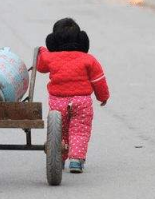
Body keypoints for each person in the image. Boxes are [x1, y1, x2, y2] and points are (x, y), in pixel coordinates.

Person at [37, 18, 110, 173]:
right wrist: (103, 97)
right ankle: (76, 160)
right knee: (80, 130)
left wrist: (43, 52)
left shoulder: (50, 57)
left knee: (60, 131)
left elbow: (41, 67)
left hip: (57, 102)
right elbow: (98, 80)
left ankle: (60, 159)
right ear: (81, 39)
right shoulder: (89, 59)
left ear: (53, 40)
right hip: (81, 101)